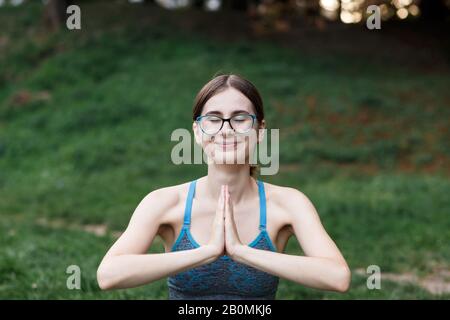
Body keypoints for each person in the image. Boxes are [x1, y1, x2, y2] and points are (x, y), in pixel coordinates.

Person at [97, 73, 351, 299]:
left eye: (240, 119)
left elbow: (337, 277)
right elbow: (109, 275)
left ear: (260, 130)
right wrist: (207, 252)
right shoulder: (165, 202)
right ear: (197, 131)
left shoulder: (288, 204)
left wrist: (242, 252)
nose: (226, 130)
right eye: (213, 119)